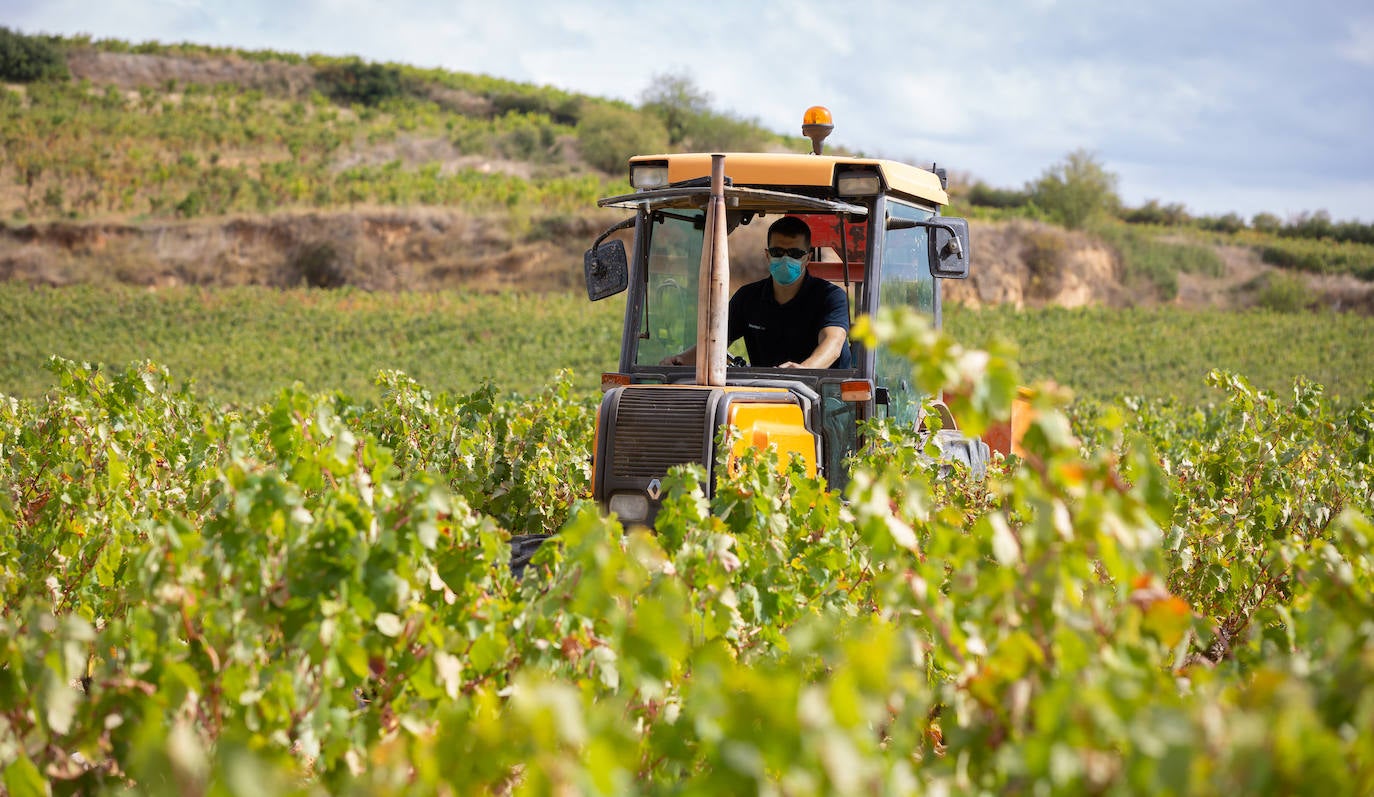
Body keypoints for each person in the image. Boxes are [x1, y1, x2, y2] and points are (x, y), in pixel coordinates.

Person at [662, 215, 852, 369]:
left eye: (794, 254)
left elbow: (833, 344)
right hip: (763, 397)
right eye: (778, 252)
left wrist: (804, 371)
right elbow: (715, 341)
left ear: (808, 258)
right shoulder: (748, 298)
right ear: (767, 256)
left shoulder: (830, 297)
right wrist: (679, 360)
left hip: (825, 401)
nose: (785, 259)